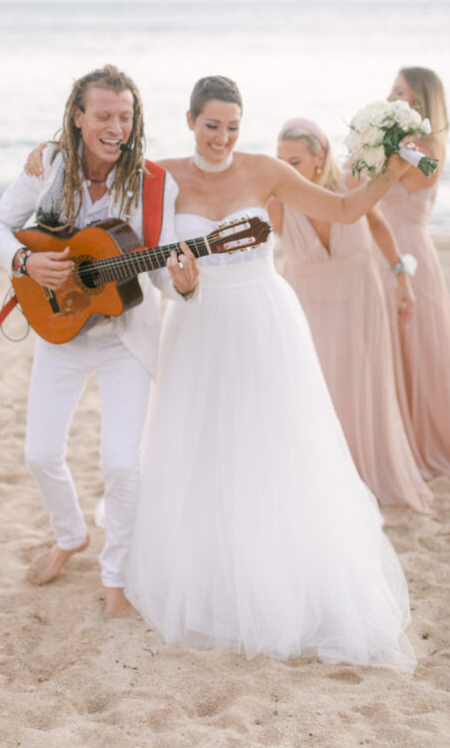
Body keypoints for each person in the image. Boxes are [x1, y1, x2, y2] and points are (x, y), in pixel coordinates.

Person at [125, 75, 416, 670]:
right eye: (211, 125)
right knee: (201, 444)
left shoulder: (265, 171)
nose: (222, 138)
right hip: (197, 322)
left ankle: (273, 570)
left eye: (232, 126)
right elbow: (124, 225)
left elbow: (341, 207)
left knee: (272, 446)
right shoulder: (160, 176)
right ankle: (206, 565)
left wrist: (391, 169)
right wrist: (47, 158)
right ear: (189, 120)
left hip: (264, 318)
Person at [0, 64, 198, 618]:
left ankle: (116, 578)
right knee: (39, 454)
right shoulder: (49, 164)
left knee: (122, 464)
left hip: (127, 335)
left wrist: (185, 283)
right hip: (61, 331)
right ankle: (70, 534)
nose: (115, 127)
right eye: (103, 115)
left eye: (124, 117)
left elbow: (163, 268)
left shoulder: (154, 183)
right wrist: (26, 261)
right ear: (77, 118)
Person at [269, 118, 431, 513]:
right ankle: (321, 476)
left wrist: (401, 278)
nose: (285, 172)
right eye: (279, 162)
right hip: (307, 302)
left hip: (361, 298)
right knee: (317, 387)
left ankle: (363, 474)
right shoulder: (275, 202)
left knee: (361, 384)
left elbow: (379, 226)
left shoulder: (351, 186)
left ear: (319, 156)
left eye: (295, 162)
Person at [377, 67, 450, 477]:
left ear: (420, 101)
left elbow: (419, 172)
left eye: (399, 91)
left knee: (415, 349)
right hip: (380, 248)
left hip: (411, 253)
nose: (390, 96)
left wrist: (391, 146)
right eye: (391, 88)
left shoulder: (429, 147)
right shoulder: (392, 142)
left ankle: (417, 441)